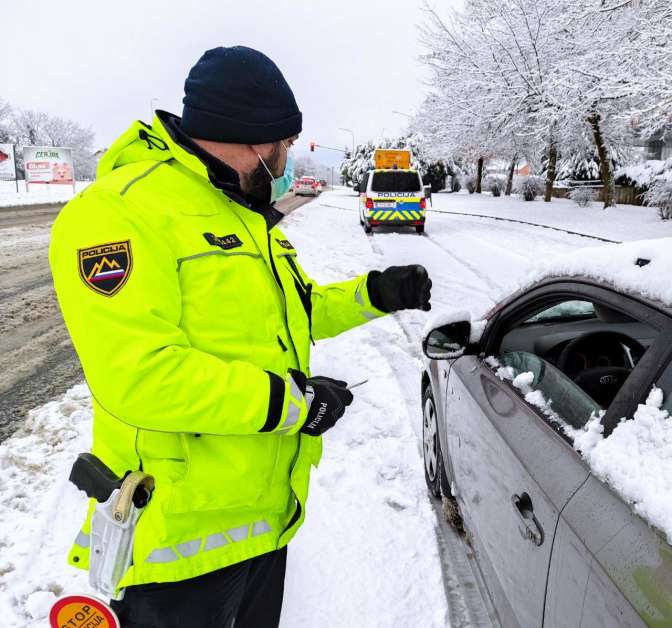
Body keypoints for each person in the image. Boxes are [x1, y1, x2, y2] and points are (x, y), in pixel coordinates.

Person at [49, 45, 432, 628]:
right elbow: (143, 377)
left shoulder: (240, 215)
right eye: (283, 145)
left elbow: (294, 313)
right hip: (179, 543)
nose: (284, 160)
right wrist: (294, 405)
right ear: (255, 138)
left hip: (262, 521)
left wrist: (375, 293)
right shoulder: (119, 213)